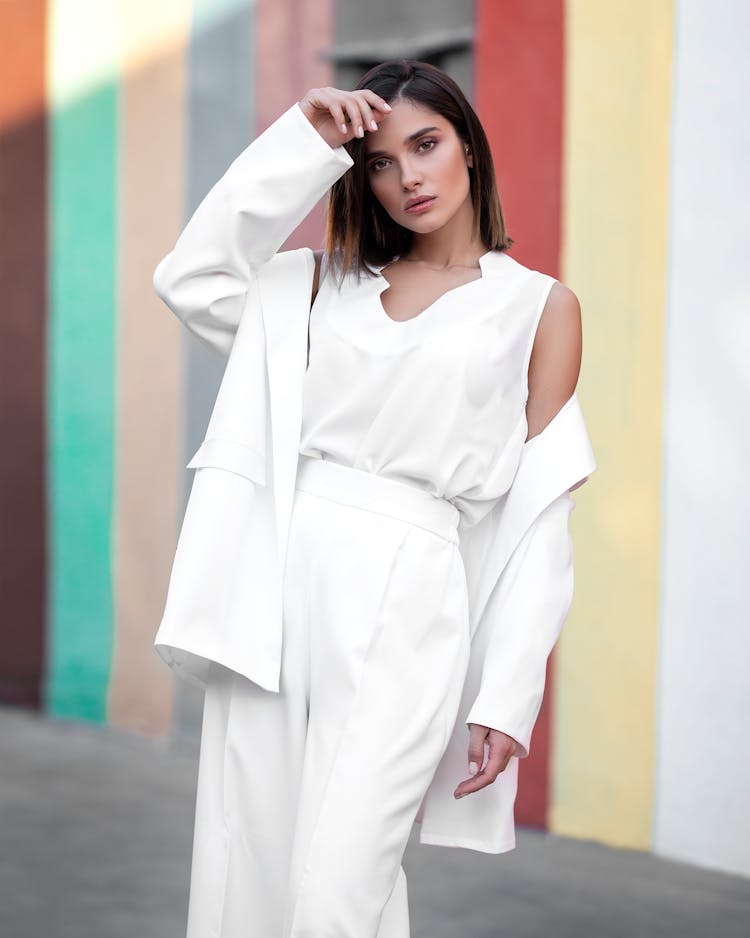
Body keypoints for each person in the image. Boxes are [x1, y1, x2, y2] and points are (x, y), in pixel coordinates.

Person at [152, 59, 592, 938]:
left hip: (414, 598)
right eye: (380, 163)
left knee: (341, 887)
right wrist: (303, 145)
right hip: (275, 585)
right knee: (249, 866)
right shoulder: (314, 287)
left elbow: (539, 515)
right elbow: (192, 278)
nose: (407, 178)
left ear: (469, 145)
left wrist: (507, 694)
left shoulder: (538, 307)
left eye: (425, 146)